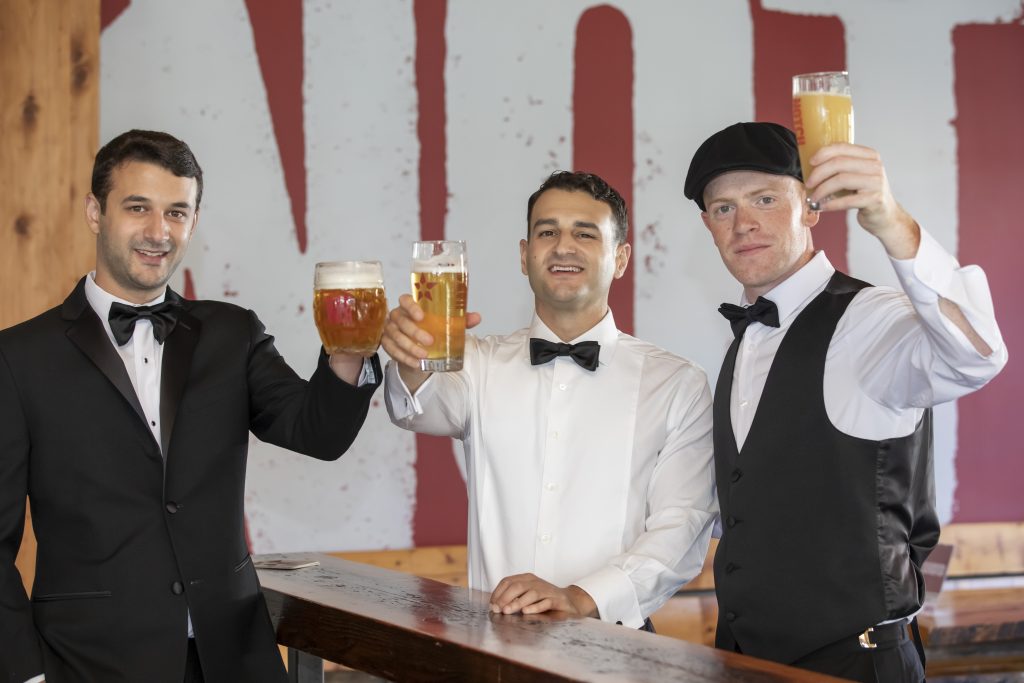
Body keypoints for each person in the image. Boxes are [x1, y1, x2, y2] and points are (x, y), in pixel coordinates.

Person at [0, 130, 382, 683]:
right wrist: (26, 675)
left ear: (194, 221)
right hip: (87, 665)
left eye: (177, 212)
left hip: (236, 658)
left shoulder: (233, 333)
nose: (159, 232)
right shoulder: (19, 358)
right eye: (139, 208)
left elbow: (316, 433)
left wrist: (349, 357)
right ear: (94, 212)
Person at [683, 122, 1007, 682]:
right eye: (723, 208)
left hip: (856, 664)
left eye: (765, 199)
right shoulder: (744, 343)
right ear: (708, 225)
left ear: (810, 208)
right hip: (741, 659)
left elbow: (976, 356)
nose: (745, 224)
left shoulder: (870, 319)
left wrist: (890, 219)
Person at [383, 171, 717, 630]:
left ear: (620, 259)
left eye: (585, 233)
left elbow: (683, 524)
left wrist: (582, 597)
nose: (563, 246)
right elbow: (418, 407)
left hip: (618, 651)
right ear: (525, 256)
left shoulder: (678, 383)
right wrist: (410, 354)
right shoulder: (476, 364)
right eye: (547, 232)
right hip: (493, 644)